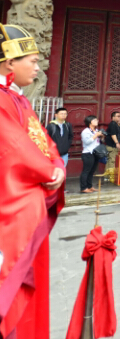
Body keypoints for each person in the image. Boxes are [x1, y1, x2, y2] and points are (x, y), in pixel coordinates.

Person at [0, 23, 65, 339]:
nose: (39, 68)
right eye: (34, 61)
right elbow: (14, 148)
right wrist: (49, 172)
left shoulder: (20, 100)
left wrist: (56, 166)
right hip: (10, 206)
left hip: (30, 198)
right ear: (10, 61)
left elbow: (42, 142)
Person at [80, 116, 104, 193]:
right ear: (90, 122)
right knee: (86, 171)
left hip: (95, 153)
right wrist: (95, 135)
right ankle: (83, 187)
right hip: (88, 153)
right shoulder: (85, 131)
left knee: (92, 170)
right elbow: (87, 142)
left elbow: (97, 142)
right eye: (95, 120)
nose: (97, 121)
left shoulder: (96, 130)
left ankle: (89, 186)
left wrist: (102, 137)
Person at [105, 110, 120, 179]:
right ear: (113, 117)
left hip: (112, 145)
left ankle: (107, 176)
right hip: (112, 145)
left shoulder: (116, 124)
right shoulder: (112, 124)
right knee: (112, 161)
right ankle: (111, 176)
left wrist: (119, 123)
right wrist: (117, 143)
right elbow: (113, 135)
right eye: (118, 116)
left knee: (110, 160)